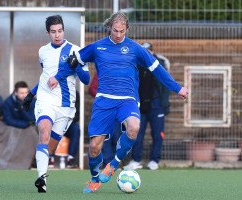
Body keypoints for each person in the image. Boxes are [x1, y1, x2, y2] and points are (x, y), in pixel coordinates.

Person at [66, 12, 188, 193]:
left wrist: (177, 88)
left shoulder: (136, 49)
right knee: (94, 147)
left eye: (122, 31)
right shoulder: (97, 47)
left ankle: (113, 165)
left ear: (127, 29)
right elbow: (76, 60)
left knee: (134, 127)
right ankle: (94, 179)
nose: (118, 34)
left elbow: (157, 69)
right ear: (110, 28)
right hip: (104, 101)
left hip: (128, 100)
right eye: (115, 31)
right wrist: (72, 73)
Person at [23, 15, 89, 193]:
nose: (57, 35)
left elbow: (87, 79)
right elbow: (46, 76)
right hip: (45, 101)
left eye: (60, 31)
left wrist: (75, 65)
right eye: (53, 32)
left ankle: (44, 165)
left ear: (64, 31)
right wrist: (32, 94)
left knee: (50, 146)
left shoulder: (76, 50)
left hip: (66, 107)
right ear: (48, 33)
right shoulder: (42, 51)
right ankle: (41, 180)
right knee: (43, 132)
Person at [124, 42, 171, 171]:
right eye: (143, 51)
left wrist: (164, 105)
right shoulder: (136, 64)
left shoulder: (160, 63)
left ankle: (154, 160)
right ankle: (136, 160)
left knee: (157, 134)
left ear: (152, 51)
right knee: (136, 133)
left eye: (148, 51)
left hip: (156, 106)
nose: (145, 53)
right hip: (140, 106)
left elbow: (166, 84)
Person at [88, 74, 122, 167]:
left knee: (117, 136)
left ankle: (116, 163)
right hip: (104, 111)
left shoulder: (122, 72)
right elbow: (91, 89)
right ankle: (107, 163)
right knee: (105, 137)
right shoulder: (101, 71)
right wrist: (105, 98)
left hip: (118, 110)